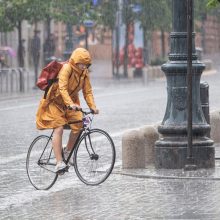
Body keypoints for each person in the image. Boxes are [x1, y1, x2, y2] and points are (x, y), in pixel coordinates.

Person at [36, 48, 99, 172]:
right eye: (82, 63)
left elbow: (88, 92)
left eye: (86, 64)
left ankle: (67, 152)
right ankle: (59, 162)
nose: (84, 66)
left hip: (70, 104)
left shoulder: (84, 73)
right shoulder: (67, 69)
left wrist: (93, 106)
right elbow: (62, 88)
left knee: (80, 125)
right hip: (54, 102)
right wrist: (70, 103)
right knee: (58, 128)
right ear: (75, 62)